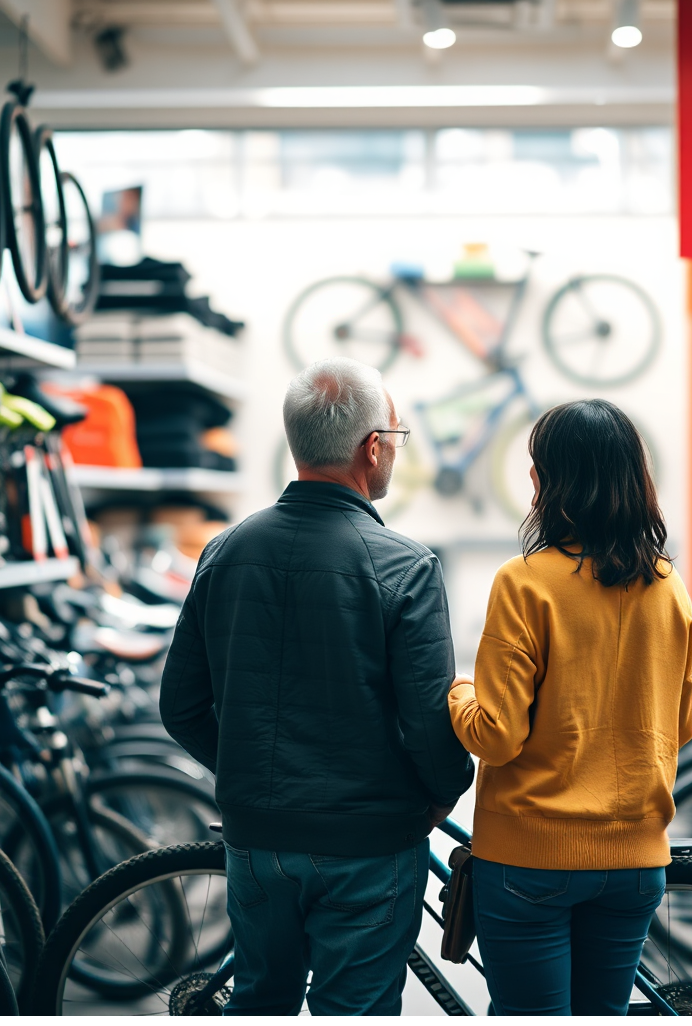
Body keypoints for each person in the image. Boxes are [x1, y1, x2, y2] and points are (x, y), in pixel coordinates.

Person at [160, 356, 474, 1016]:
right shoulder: (405, 566)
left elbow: (181, 704)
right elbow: (427, 720)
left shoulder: (225, 550)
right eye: (396, 433)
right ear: (372, 447)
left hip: (256, 837)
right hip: (369, 840)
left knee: (260, 999)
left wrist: (251, 772)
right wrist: (443, 792)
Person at [448, 399, 692, 1017]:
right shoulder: (668, 585)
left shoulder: (525, 581)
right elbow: (681, 723)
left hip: (531, 861)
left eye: (536, 467)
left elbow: (497, 736)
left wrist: (455, 694)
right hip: (637, 860)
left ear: (550, 482)